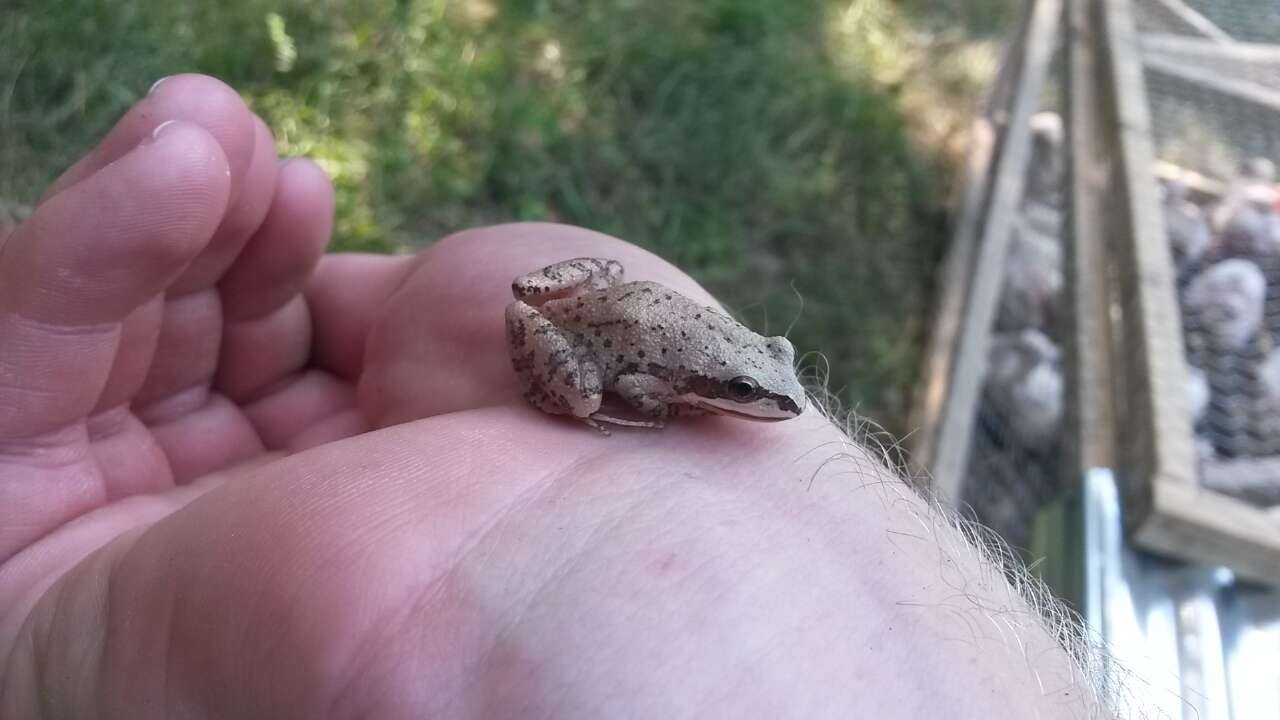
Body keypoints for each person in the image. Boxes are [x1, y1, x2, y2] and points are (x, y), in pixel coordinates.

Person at [0, 74, 1106, 718]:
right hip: (589, 324)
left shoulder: (737, 374)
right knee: (584, 391)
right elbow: (622, 370)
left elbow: (732, 366)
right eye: (747, 388)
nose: (769, 403)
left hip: (629, 310)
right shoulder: (677, 379)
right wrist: (636, 406)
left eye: (765, 383)